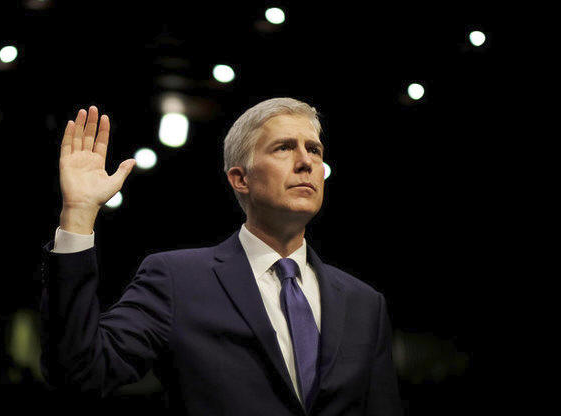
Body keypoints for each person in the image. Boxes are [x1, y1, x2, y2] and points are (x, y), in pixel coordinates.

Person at [39, 97, 403, 415]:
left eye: (315, 149)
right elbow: (80, 373)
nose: (306, 162)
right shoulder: (178, 281)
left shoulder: (365, 304)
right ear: (240, 179)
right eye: (284, 148)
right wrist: (78, 215)